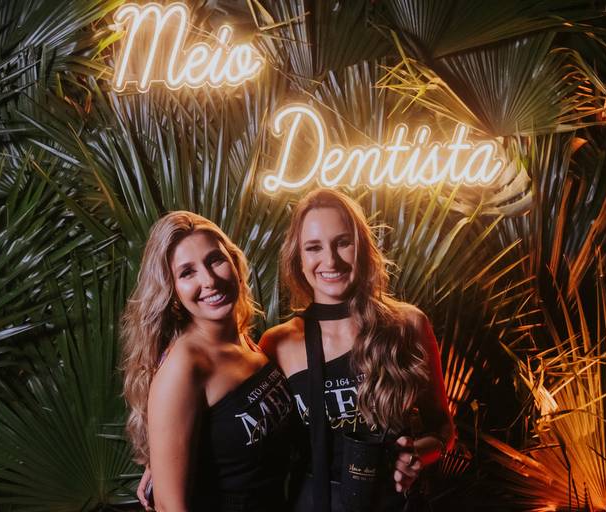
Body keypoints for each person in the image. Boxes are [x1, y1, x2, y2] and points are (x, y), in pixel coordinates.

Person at [260, 189, 455, 511]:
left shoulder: (408, 324)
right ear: (298, 258)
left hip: (395, 504)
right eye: (314, 247)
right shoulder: (278, 343)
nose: (330, 260)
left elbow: (444, 428)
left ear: (362, 247)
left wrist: (418, 454)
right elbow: (249, 440)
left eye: (343, 242)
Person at [121, 211, 295, 512]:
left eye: (215, 260)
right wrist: (163, 469)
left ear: (234, 263)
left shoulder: (244, 339)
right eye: (187, 273)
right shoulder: (185, 366)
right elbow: (169, 506)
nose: (209, 280)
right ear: (172, 290)